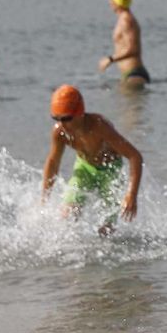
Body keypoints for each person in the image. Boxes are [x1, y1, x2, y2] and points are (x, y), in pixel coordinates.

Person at [42, 85, 145, 235]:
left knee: (106, 230)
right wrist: (44, 198)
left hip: (110, 172)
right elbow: (53, 162)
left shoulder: (100, 127)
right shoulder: (59, 132)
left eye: (66, 119)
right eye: (57, 118)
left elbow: (135, 156)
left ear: (79, 113)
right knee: (68, 217)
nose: (62, 124)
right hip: (84, 168)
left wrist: (132, 195)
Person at [99, 0, 149, 89]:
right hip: (129, 74)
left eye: (111, 0)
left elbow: (133, 49)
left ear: (117, 2)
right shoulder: (124, 19)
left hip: (134, 75)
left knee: (130, 105)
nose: (110, 3)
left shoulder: (126, 21)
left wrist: (110, 59)